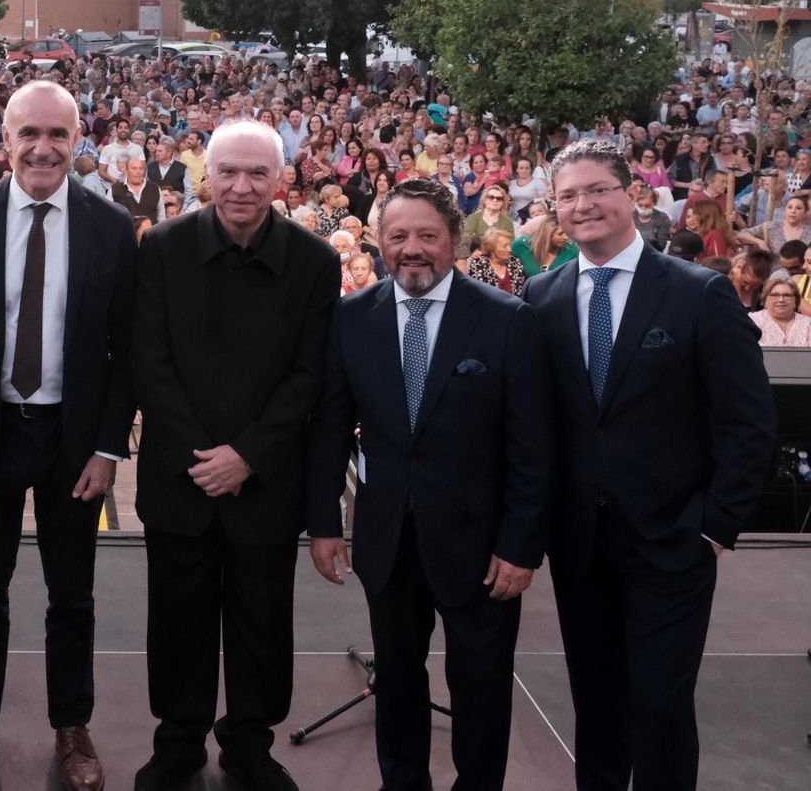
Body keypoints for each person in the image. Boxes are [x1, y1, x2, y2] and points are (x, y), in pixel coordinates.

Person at [524, 139, 775, 791]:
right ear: (555, 208)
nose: (584, 205)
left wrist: (717, 525)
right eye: (569, 195)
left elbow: (748, 422)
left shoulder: (699, 293)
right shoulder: (540, 297)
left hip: (675, 540)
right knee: (598, 708)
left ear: (632, 193)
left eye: (597, 189)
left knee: (661, 707)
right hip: (580, 544)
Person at [308, 179, 550, 791]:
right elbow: (330, 428)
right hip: (387, 539)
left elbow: (533, 448)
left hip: (483, 548)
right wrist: (323, 525)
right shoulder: (350, 317)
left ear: (454, 239)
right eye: (398, 236)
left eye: (426, 235)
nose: (411, 248)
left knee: (483, 687)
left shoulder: (507, 319)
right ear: (378, 241)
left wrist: (521, 544)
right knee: (397, 679)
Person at [0, 80, 135, 791]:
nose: (43, 147)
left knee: (71, 594)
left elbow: (126, 348)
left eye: (58, 133)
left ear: (79, 139)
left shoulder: (111, 228)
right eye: (29, 133)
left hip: (73, 444)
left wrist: (109, 448)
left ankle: (71, 726)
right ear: (4, 136)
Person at [132, 122, 339, 791]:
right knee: (177, 619)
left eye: (256, 173)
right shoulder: (161, 248)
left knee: (261, 621)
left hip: (265, 480)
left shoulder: (314, 261)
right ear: (205, 174)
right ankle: (179, 740)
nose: (241, 186)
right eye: (228, 172)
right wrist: (202, 455)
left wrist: (247, 455)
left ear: (280, 180)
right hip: (180, 476)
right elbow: (149, 361)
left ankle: (250, 741)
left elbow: (310, 375)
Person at [512, 213, 578, 277]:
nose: (565, 237)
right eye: (560, 234)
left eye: (567, 233)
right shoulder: (522, 245)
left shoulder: (572, 249)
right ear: (547, 234)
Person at [466, 227, 527, 296]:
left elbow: (521, 293)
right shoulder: (478, 265)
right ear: (491, 248)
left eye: (509, 245)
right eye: (505, 246)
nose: (510, 250)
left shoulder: (515, 263)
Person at [459, 184, 514, 260]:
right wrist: (473, 251)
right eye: (491, 197)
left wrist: (479, 239)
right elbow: (466, 239)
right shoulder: (473, 218)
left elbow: (510, 243)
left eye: (499, 198)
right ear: (484, 200)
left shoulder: (507, 222)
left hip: (498, 257)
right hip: (474, 256)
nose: (495, 200)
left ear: (503, 203)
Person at [752, 279, 811, 345]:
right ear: (765, 300)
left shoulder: (808, 324)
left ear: (795, 301)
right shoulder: (753, 321)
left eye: (787, 295)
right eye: (774, 295)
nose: (781, 300)